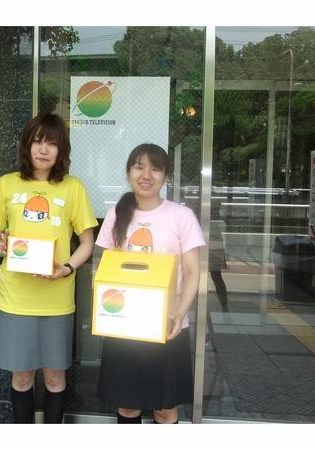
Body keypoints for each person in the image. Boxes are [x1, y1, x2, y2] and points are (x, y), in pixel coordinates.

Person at [0, 112, 97, 424]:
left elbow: (86, 242)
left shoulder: (73, 188)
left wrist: (67, 269)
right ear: (27, 145)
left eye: (52, 143)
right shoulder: (7, 184)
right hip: (15, 299)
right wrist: (1, 246)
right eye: (37, 141)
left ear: (62, 150)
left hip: (56, 300)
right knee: (21, 378)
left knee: (55, 378)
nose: (44, 149)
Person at [95, 143, 205, 424]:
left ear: (165, 176)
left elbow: (192, 272)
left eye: (155, 169)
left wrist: (179, 313)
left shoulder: (181, 216)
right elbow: (104, 267)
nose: (146, 175)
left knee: (165, 409)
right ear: (128, 173)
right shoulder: (116, 214)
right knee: (127, 406)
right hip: (125, 324)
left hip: (167, 325)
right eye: (139, 167)